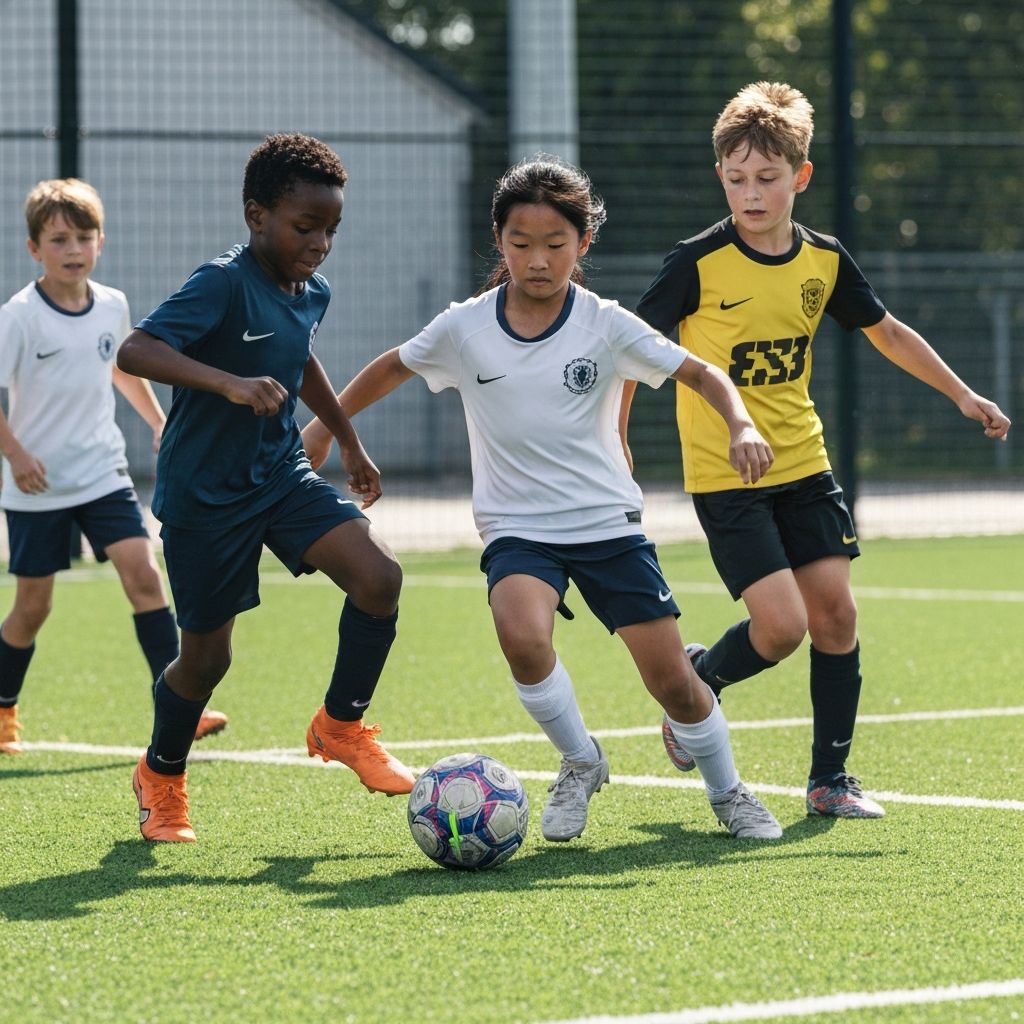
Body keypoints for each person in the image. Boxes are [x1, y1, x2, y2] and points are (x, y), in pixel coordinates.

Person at [303, 157, 783, 842]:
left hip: (606, 523)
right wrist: (327, 428)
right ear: (498, 241)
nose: (538, 259)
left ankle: (728, 792)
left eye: (556, 244)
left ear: (583, 245)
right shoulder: (465, 328)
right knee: (521, 634)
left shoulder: (605, 324)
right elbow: (393, 365)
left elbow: (702, 372)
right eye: (521, 243)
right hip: (518, 525)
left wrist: (740, 422)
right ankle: (581, 761)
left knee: (675, 684)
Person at [635, 81, 1012, 818]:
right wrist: (613, 440)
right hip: (725, 473)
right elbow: (632, 349)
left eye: (768, 179)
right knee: (782, 627)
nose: (752, 192)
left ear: (799, 178)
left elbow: (889, 332)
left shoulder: (825, 262)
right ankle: (701, 682)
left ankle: (829, 781)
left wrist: (963, 396)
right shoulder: (696, 263)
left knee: (835, 614)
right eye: (737, 178)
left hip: (805, 463)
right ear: (721, 177)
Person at [116, 133, 414, 843]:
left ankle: (340, 725)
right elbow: (136, 349)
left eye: (331, 229)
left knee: (378, 578)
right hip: (204, 496)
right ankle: (162, 774)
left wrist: (345, 438)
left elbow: (297, 353)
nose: (320, 244)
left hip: (280, 475)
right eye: (304, 227)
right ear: (257, 217)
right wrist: (228, 383)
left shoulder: (313, 290)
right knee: (207, 660)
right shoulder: (220, 282)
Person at [0, 178, 227, 757]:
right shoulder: (19, 316)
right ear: (34, 249)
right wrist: (17, 456)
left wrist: (155, 421)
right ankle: (3, 710)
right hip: (37, 484)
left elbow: (121, 368)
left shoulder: (112, 304)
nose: (72, 249)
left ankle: (178, 706)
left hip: (103, 472)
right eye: (57, 240)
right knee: (33, 607)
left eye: (83, 236)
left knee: (144, 575)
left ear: (100, 241)